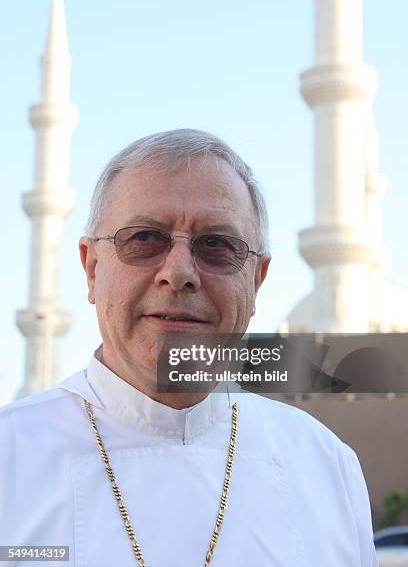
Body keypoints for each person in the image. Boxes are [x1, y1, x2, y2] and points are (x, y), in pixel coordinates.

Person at [0, 129, 378, 566]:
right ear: (91, 268)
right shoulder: (11, 457)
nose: (178, 273)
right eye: (144, 238)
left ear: (256, 281)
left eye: (216, 245)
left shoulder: (326, 467)